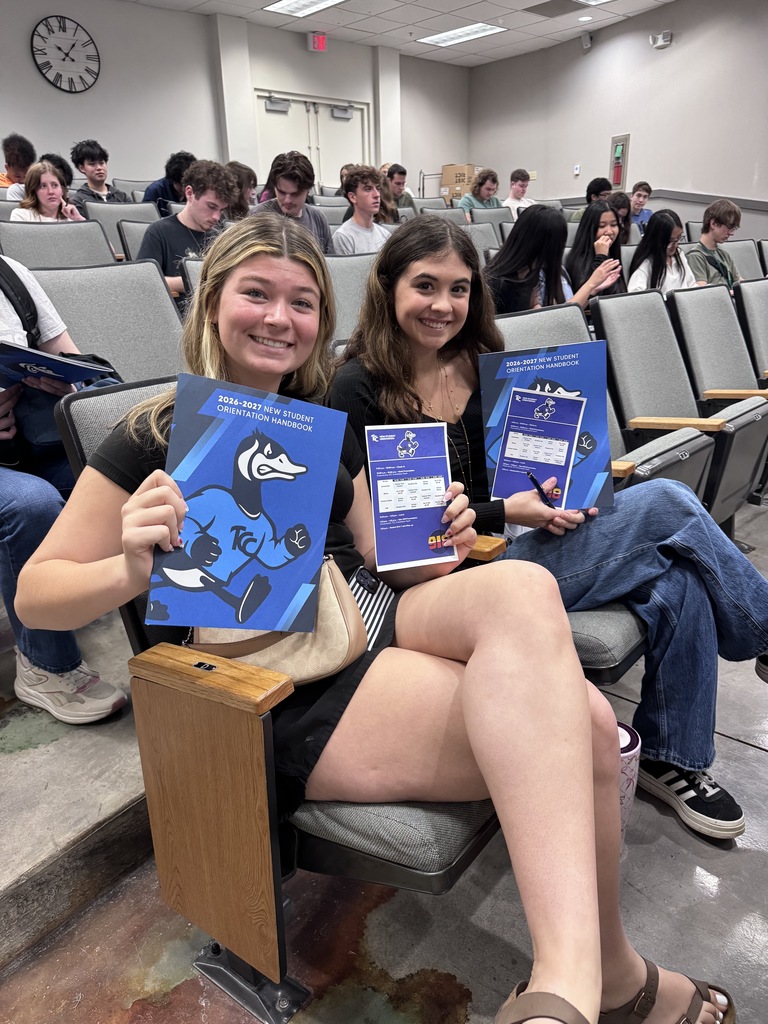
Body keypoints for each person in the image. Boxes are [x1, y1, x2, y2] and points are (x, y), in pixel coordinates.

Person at [16, 213, 734, 1024]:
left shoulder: (318, 421)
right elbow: (36, 595)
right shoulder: (151, 434)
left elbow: (390, 557)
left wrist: (449, 533)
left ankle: (573, 980)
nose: (279, 319)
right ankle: (598, 975)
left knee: (525, 593)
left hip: (368, 620)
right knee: (593, 729)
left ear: (322, 319)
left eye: (302, 302)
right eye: (257, 294)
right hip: (275, 677)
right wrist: (128, 566)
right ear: (212, 302)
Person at [330, 214, 768, 844]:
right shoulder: (358, 387)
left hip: (519, 544)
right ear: (389, 287)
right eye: (425, 286)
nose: (443, 305)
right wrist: (509, 512)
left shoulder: (483, 361)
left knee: (681, 578)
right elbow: (397, 531)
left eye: (459, 289)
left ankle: (674, 757)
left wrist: (556, 494)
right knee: (669, 501)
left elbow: (506, 480)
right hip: (445, 576)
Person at [0, 254, 125, 724]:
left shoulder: (9, 274)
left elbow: (67, 356)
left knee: (122, 474)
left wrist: (62, 382)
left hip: (27, 443)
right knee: (31, 505)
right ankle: (43, 666)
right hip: (17, 472)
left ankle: (184, 626)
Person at [484, 205, 621, 314]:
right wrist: (590, 284)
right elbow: (556, 321)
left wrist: (592, 289)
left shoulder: (543, 270)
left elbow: (568, 312)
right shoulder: (506, 282)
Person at [137, 159, 236, 296]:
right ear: (190, 193)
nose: (216, 217)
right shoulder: (159, 232)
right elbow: (143, 282)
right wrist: (192, 281)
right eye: (211, 207)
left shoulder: (220, 238)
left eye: (221, 210)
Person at [251, 151, 332, 254]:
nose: (287, 200)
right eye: (281, 192)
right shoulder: (257, 216)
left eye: (295, 194)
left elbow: (329, 263)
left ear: (308, 191)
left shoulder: (318, 219)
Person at [564, 200, 626, 301]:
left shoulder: (614, 253)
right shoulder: (578, 259)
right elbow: (588, 301)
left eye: (614, 225)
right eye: (602, 226)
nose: (609, 231)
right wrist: (601, 257)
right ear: (589, 229)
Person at [627, 210, 697, 293]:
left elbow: (692, 284)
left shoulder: (679, 254)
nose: (676, 244)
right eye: (671, 241)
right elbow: (635, 294)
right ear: (657, 239)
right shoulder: (647, 263)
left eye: (679, 238)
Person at [332, 165, 390, 255]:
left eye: (378, 188)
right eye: (368, 189)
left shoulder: (385, 234)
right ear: (352, 197)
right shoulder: (343, 237)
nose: (377, 195)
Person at [686, 199, 744, 289]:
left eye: (733, 228)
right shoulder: (695, 257)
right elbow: (702, 291)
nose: (731, 233)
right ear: (713, 223)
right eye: (729, 227)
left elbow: (740, 284)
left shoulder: (724, 255)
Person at [10, 161, 84, 223]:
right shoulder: (21, 216)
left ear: (62, 190)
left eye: (55, 185)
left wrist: (79, 220)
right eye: (43, 186)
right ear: (33, 191)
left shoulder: (71, 218)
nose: (51, 191)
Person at [69, 140, 130, 213]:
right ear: (82, 168)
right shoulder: (78, 201)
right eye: (92, 164)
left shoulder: (122, 197)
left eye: (101, 163)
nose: (99, 168)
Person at [144, 151, 197, 216]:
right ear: (173, 180)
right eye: (183, 185)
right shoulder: (155, 191)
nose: (186, 189)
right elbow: (146, 219)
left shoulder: (196, 191)